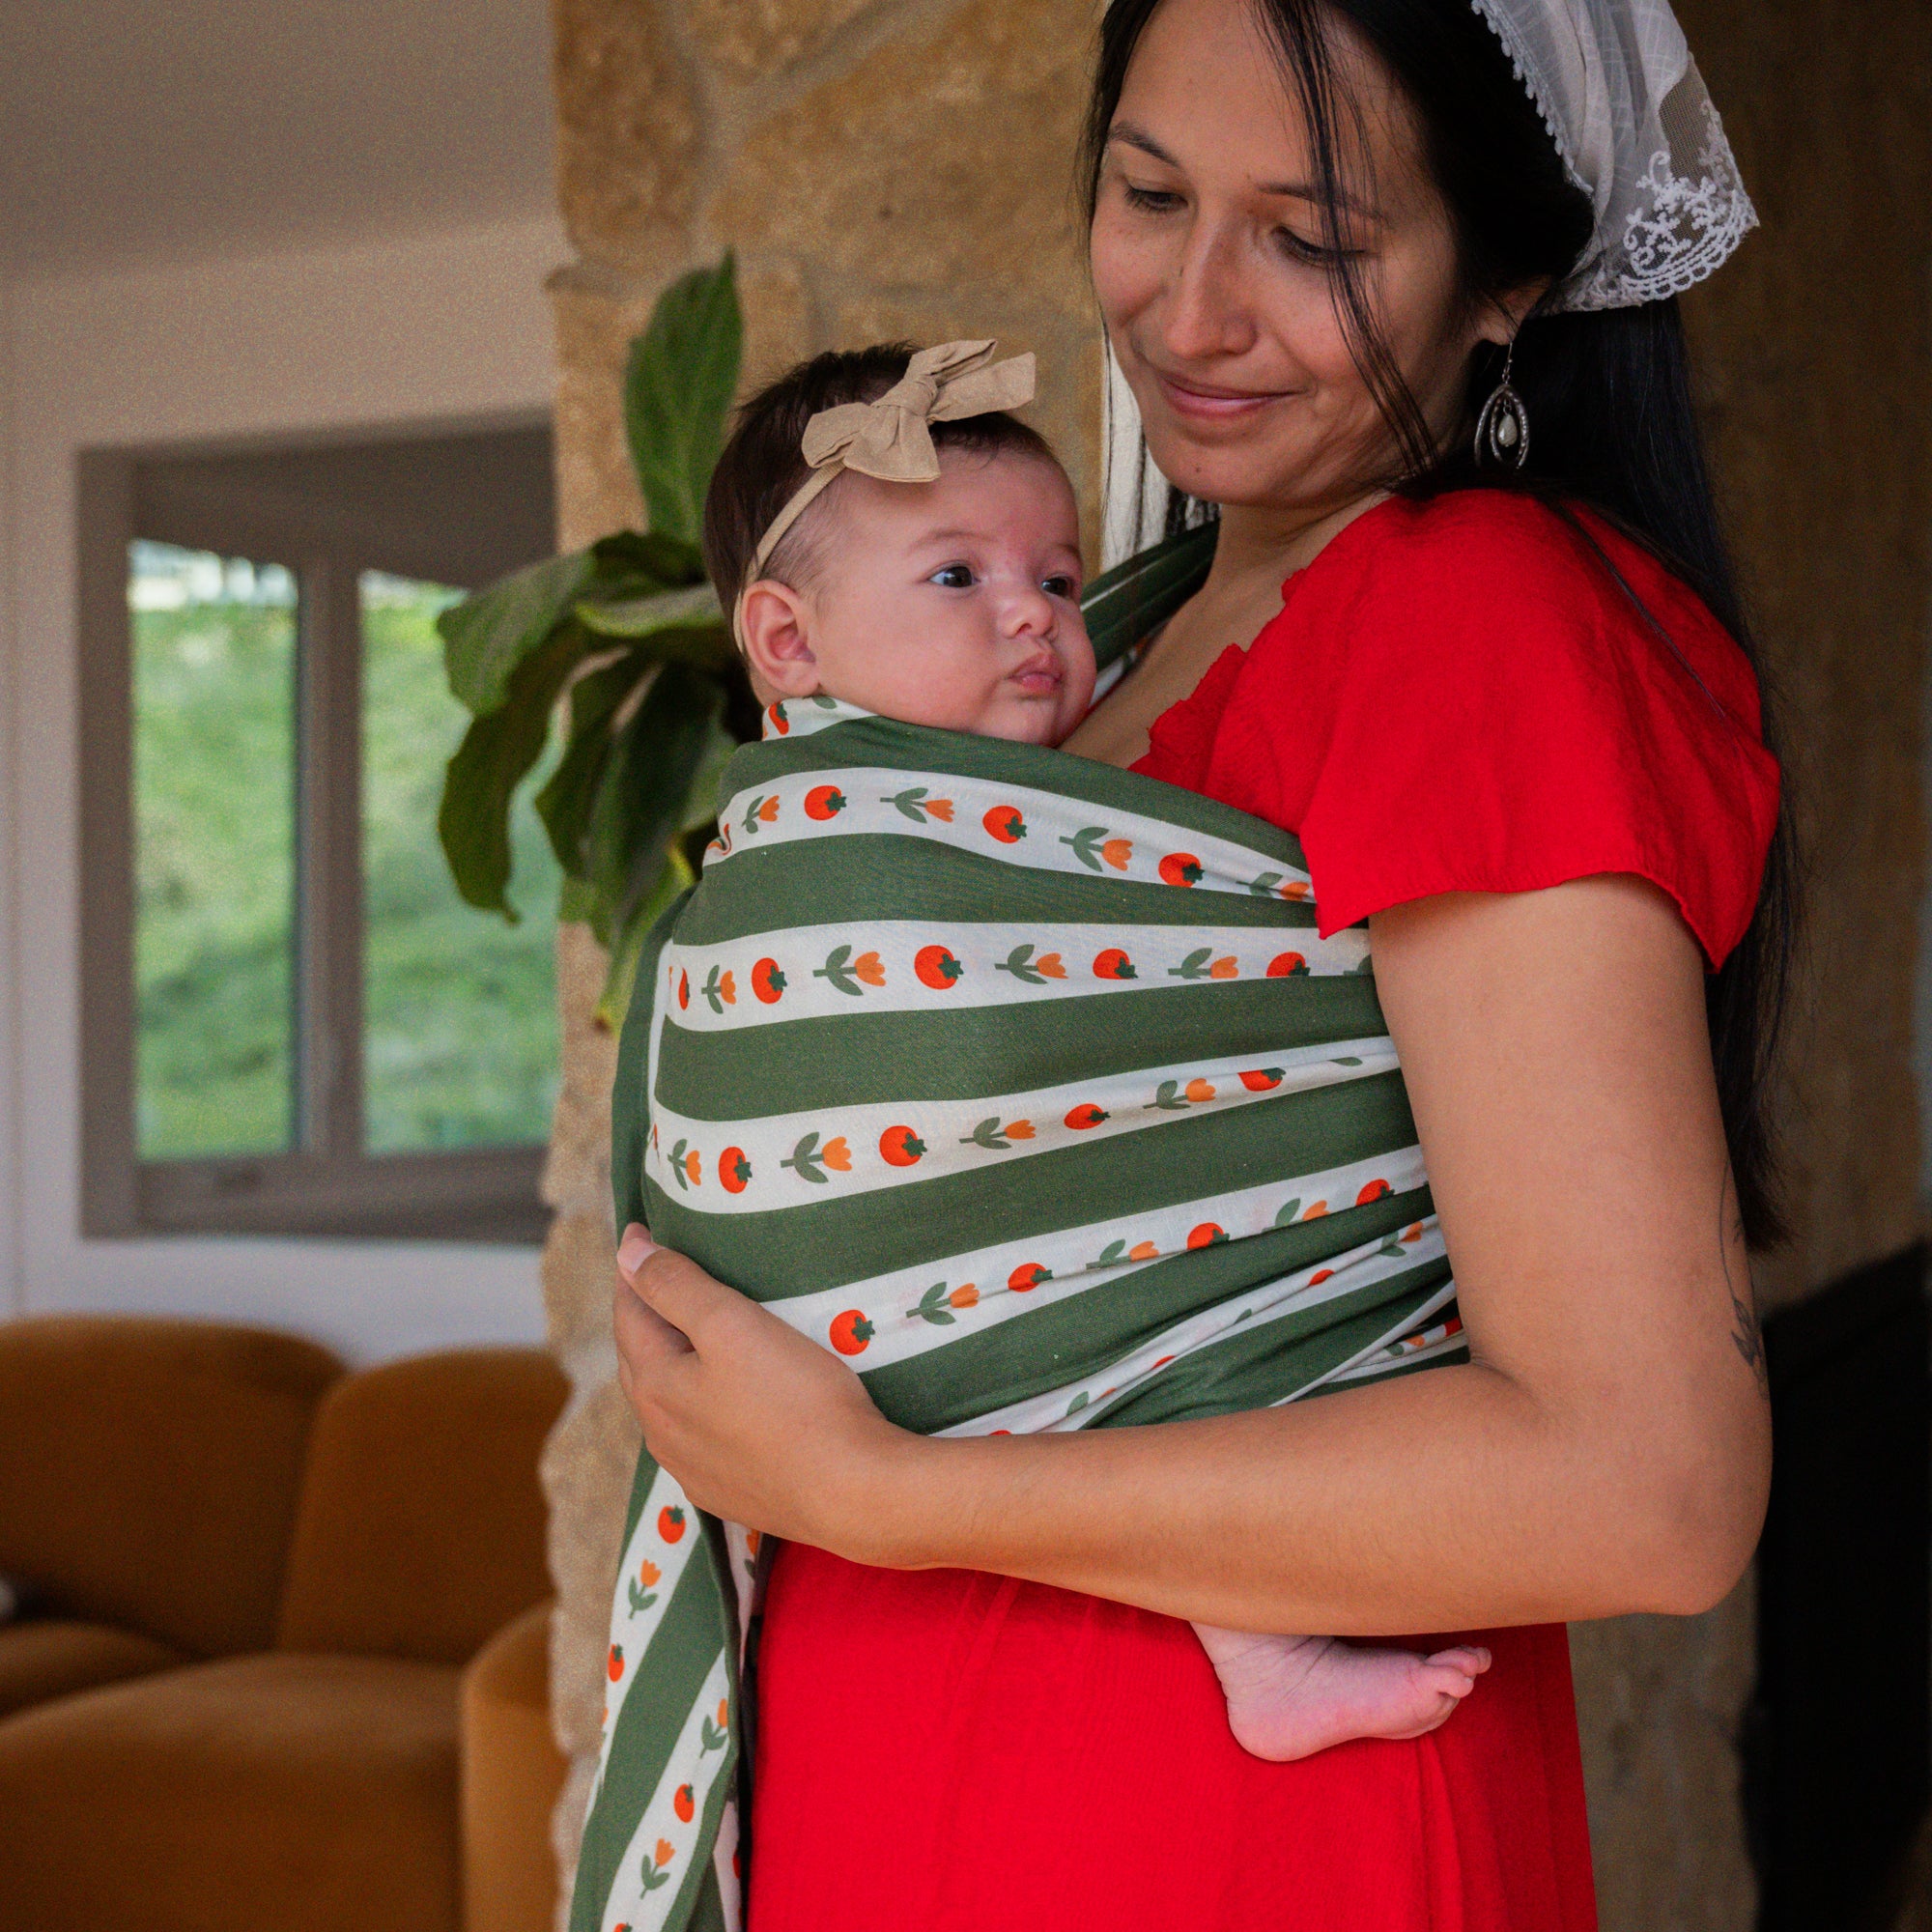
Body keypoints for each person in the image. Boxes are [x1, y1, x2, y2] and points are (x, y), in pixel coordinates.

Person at [605, 0, 1788, 1925]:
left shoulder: (1471, 621)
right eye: (1147, 193)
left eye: (1310, 239)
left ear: (1504, 285)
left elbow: (1645, 1484)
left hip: (1201, 1830)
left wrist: (885, 1497)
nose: (1189, 308)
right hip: (907, 1764)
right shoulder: (1111, 636)